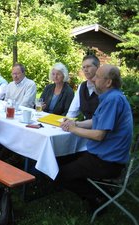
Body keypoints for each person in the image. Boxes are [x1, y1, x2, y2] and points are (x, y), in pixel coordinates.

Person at [57, 64, 133, 212]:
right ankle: (98, 192)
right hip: (105, 155)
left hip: (108, 161)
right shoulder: (111, 97)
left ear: (108, 82)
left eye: (97, 76)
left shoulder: (113, 100)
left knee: (60, 174)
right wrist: (76, 122)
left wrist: (74, 129)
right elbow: (96, 121)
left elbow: (99, 135)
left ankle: (97, 197)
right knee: (64, 158)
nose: (93, 79)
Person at [66, 55, 100, 119]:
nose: (85, 70)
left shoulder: (105, 86)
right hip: (85, 126)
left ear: (98, 68)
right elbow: (72, 111)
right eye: (83, 67)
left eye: (88, 66)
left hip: (102, 126)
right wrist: (66, 121)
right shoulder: (82, 86)